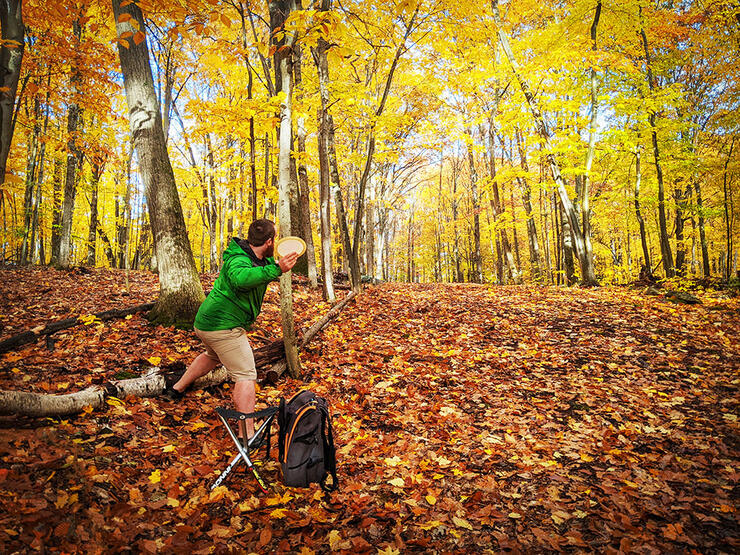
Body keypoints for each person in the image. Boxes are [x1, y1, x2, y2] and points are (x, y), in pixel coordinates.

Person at [165, 219, 299, 438]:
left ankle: (176, 389)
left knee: (212, 356)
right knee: (246, 374)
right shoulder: (238, 259)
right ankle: (247, 435)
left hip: (208, 324)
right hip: (221, 326)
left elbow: (264, 270)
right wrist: (277, 268)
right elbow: (241, 279)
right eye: (274, 239)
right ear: (268, 241)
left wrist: (281, 263)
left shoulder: (259, 258)